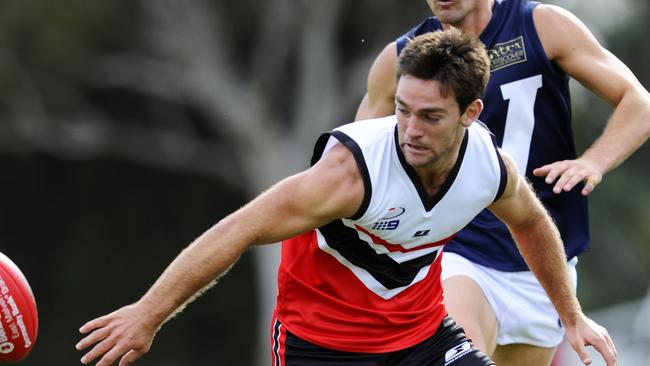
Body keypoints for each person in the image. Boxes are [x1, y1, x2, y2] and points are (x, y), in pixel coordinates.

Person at [76, 29, 616, 366]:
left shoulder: (486, 165)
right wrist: (149, 314)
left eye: (430, 116)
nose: (411, 129)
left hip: (421, 336)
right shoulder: (349, 172)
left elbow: (533, 222)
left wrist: (569, 315)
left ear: (471, 115)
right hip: (323, 345)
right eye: (403, 109)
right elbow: (237, 230)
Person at [355, 0, 650, 365]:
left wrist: (593, 161)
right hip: (458, 253)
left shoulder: (541, 26)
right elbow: (356, 162)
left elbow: (639, 103)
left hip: (544, 267)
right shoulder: (400, 59)